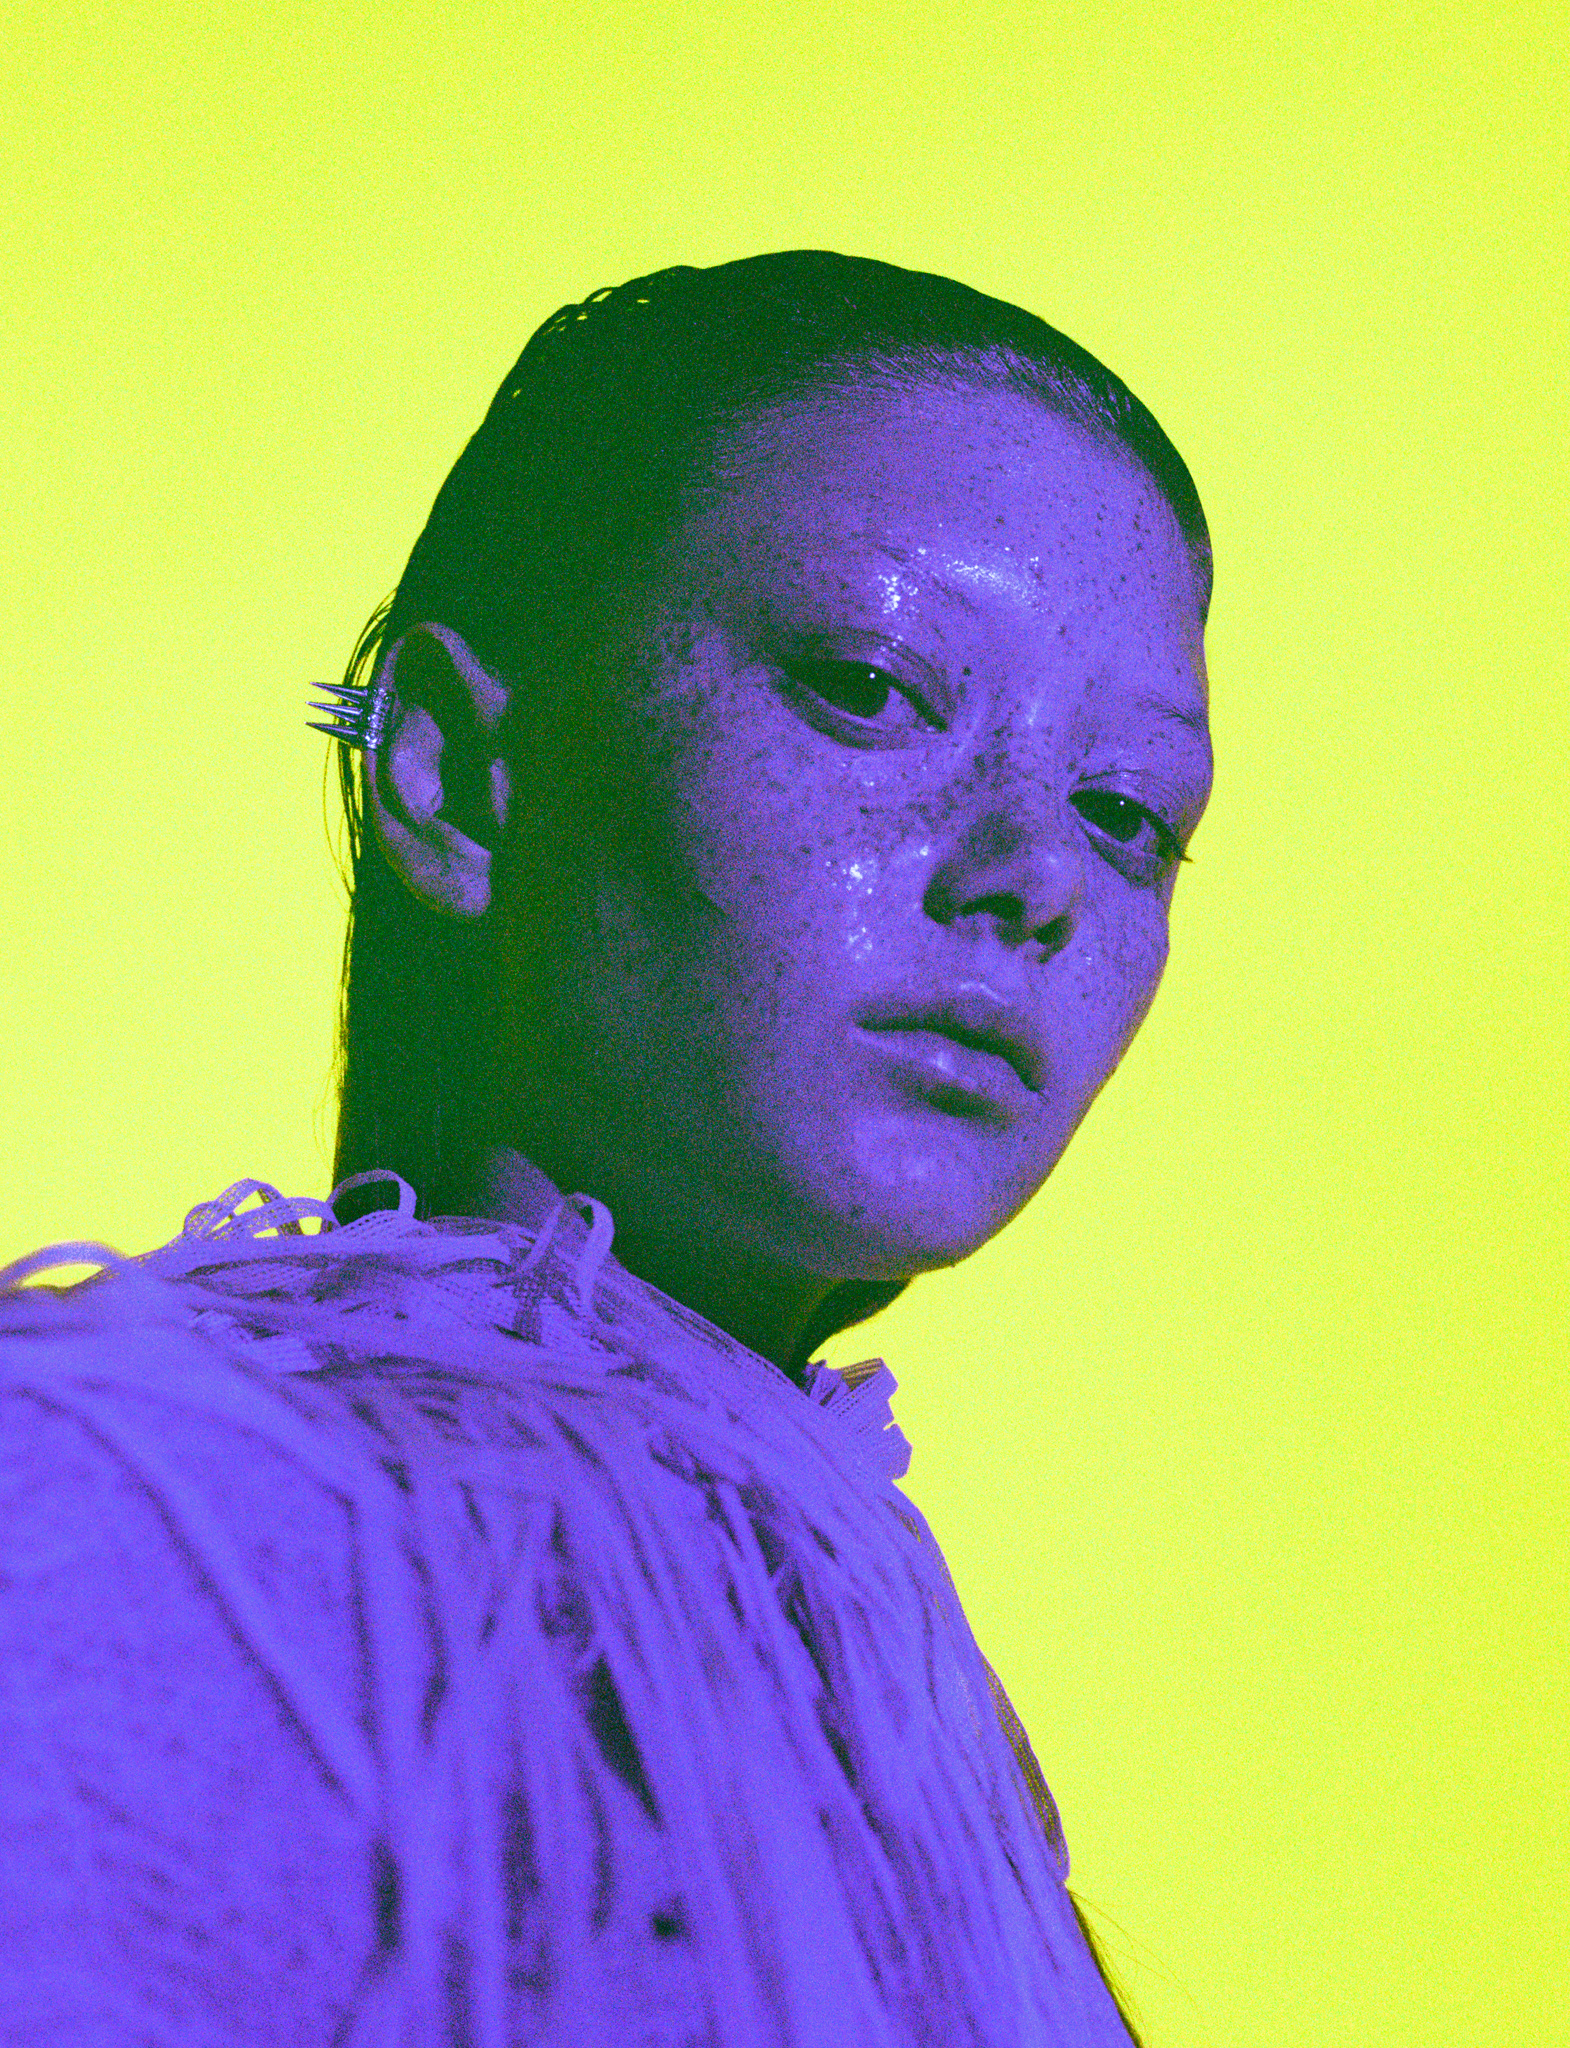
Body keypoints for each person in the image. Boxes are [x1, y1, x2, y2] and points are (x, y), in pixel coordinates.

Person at [0, 250, 1214, 2046]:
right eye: (870, 686)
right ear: (452, 774)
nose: (1031, 875)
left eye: (1126, 810)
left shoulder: (918, 1715)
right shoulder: (106, 1528)